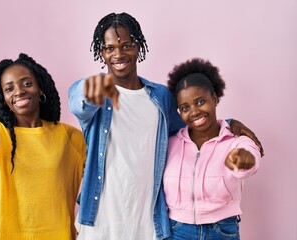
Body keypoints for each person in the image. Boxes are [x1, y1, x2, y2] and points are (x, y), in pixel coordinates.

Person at [68, 12, 263, 240]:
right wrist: (93, 87)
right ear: (101, 52)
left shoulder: (159, 97)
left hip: (147, 222)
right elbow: (78, 103)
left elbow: (193, 124)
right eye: (110, 48)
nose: (118, 54)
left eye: (126, 46)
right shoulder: (97, 93)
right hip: (100, 220)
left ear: (138, 47)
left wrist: (228, 124)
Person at [0, 53, 86, 240]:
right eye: (9, 88)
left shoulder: (68, 136)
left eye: (27, 83)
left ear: (41, 89)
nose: (19, 91)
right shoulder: (1, 134)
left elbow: (103, 169)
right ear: (3, 98)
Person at [163, 58, 262, 240]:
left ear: (215, 98)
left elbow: (251, 155)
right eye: (185, 107)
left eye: (200, 102)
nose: (194, 112)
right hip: (176, 231)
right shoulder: (169, 143)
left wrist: (245, 160)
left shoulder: (235, 141)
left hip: (222, 230)